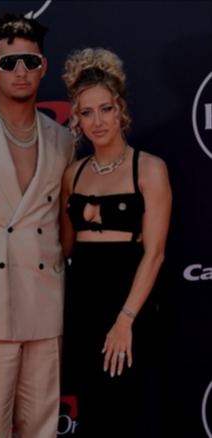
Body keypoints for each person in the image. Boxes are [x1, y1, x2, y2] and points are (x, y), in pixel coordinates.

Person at [59, 47, 171, 437]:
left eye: (105, 109)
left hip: (128, 301)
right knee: (91, 412)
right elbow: (66, 247)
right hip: (82, 303)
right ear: (77, 117)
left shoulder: (149, 168)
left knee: (123, 411)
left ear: (120, 108)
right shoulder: (73, 174)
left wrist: (126, 320)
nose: (97, 121)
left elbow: (154, 254)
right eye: (86, 112)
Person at [0, 13, 75, 438]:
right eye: (8, 63)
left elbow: (64, 220)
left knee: (42, 426)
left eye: (29, 61)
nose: (20, 72)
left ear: (43, 66)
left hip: (45, 301)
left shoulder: (62, 139)